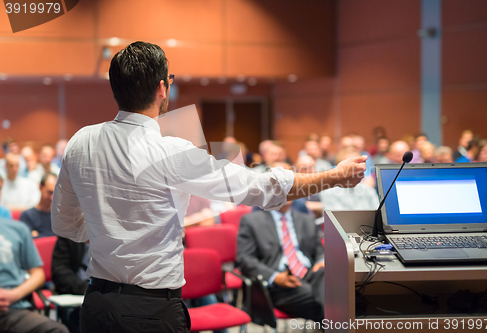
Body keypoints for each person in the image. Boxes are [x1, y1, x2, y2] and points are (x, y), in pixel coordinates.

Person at [51, 41, 366, 333]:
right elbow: (261, 188)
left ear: (114, 88)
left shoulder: (81, 141)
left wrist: (109, 230)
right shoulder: (170, 151)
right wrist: (334, 177)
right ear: (162, 88)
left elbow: (64, 224)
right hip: (151, 311)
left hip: (96, 304)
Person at [236, 199, 325, 322]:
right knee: (332, 301)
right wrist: (275, 277)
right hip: (279, 283)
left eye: (289, 188)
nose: (286, 194)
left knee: (334, 284)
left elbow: (319, 250)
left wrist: (321, 261)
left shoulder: (307, 219)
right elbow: (245, 259)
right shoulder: (251, 221)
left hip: (310, 273)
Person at [0, 217, 69, 333]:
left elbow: (38, 274)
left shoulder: (18, 229)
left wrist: (14, 295)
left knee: (57, 330)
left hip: (13, 310)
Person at [51, 236, 89, 333]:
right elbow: (60, 271)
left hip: (106, 294)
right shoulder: (69, 235)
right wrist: (85, 288)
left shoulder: (116, 237)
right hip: (75, 293)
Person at [20, 173, 57, 238]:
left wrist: (38, 235)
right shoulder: (27, 215)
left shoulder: (61, 215)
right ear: (40, 187)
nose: (52, 197)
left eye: (55, 193)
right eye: (49, 192)